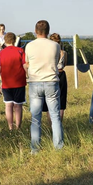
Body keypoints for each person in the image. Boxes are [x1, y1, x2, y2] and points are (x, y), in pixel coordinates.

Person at [24, 20, 63, 152]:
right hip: (51, 81)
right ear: (48, 31)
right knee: (55, 116)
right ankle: (58, 147)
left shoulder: (29, 46)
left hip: (35, 82)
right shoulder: (55, 46)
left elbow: (27, 63)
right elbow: (56, 61)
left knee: (35, 117)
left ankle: (35, 148)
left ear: (35, 31)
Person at [0, 32, 27, 130]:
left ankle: (10, 127)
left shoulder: (1, 53)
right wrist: (30, 75)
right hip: (19, 83)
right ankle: (18, 127)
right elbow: (25, 66)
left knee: (8, 106)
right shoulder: (20, 51)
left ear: (5, 41)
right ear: (14, 40)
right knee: (18, 106)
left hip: (6, 84)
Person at [42, 33, 68, 122]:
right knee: (61, 99)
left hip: (50, 75)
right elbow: (64, 64)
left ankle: (51, 124)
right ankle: (59, 122)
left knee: (49, 99)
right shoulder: (63, 53)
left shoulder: (47, 53)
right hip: (61, 75)